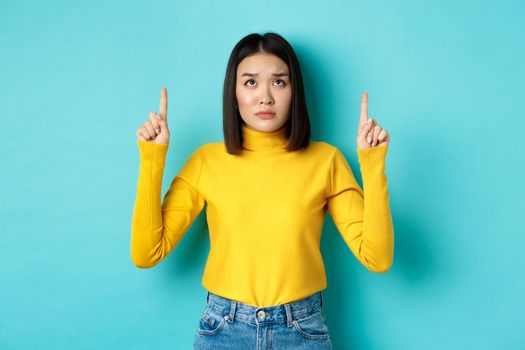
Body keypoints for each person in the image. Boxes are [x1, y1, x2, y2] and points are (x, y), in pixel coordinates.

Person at [131, 32, 394, 350]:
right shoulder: (205, 161)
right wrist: (152, 158)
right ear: (234, 92)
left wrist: (372, 163)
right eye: (251, 82)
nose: (265, 97)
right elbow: (146, 253)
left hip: (301, 330)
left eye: (279, 82)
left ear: (294, 91)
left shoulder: (326, 161)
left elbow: (377, 258)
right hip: (224, 329)